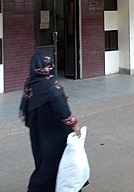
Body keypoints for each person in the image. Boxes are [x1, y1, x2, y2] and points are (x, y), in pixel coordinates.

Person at [20, 51, 82, 192]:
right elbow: (62, 110)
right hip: (55, 133)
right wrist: (75, 125)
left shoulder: (31, 83)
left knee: (43, 162)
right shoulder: (52, 86)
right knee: (57, 163)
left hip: (38, 132)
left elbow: (26, 108)